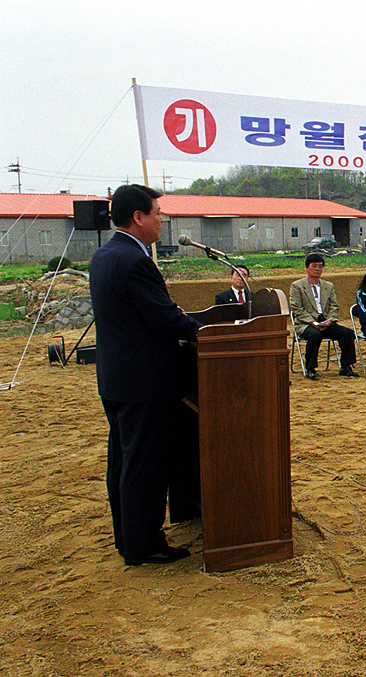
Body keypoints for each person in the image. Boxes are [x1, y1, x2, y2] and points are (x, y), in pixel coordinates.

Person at [90, 184, 201, 566]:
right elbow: (163, 318)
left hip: (117, 377)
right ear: (138, 217)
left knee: (123, 463)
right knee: (144, 466)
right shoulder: (135, 260)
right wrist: (201, 330)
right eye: (157, 213)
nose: (161, 219)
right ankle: (144, 546)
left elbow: (138, 314)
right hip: (146, 383)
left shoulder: (104, 255)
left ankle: (129, 538)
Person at [290, 253, 360, 380]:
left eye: (320, 266)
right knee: (314, 334)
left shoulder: (328, 286)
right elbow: (297, 308)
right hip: (306, 324)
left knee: (347, 333)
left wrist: (330, 321)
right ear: (306, 268)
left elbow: (334, 306)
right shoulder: (297, 286)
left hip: (326, 322)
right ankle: (310, 368)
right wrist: (312, 322)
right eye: (314, 266)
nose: (318, 269)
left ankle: (346, 366)